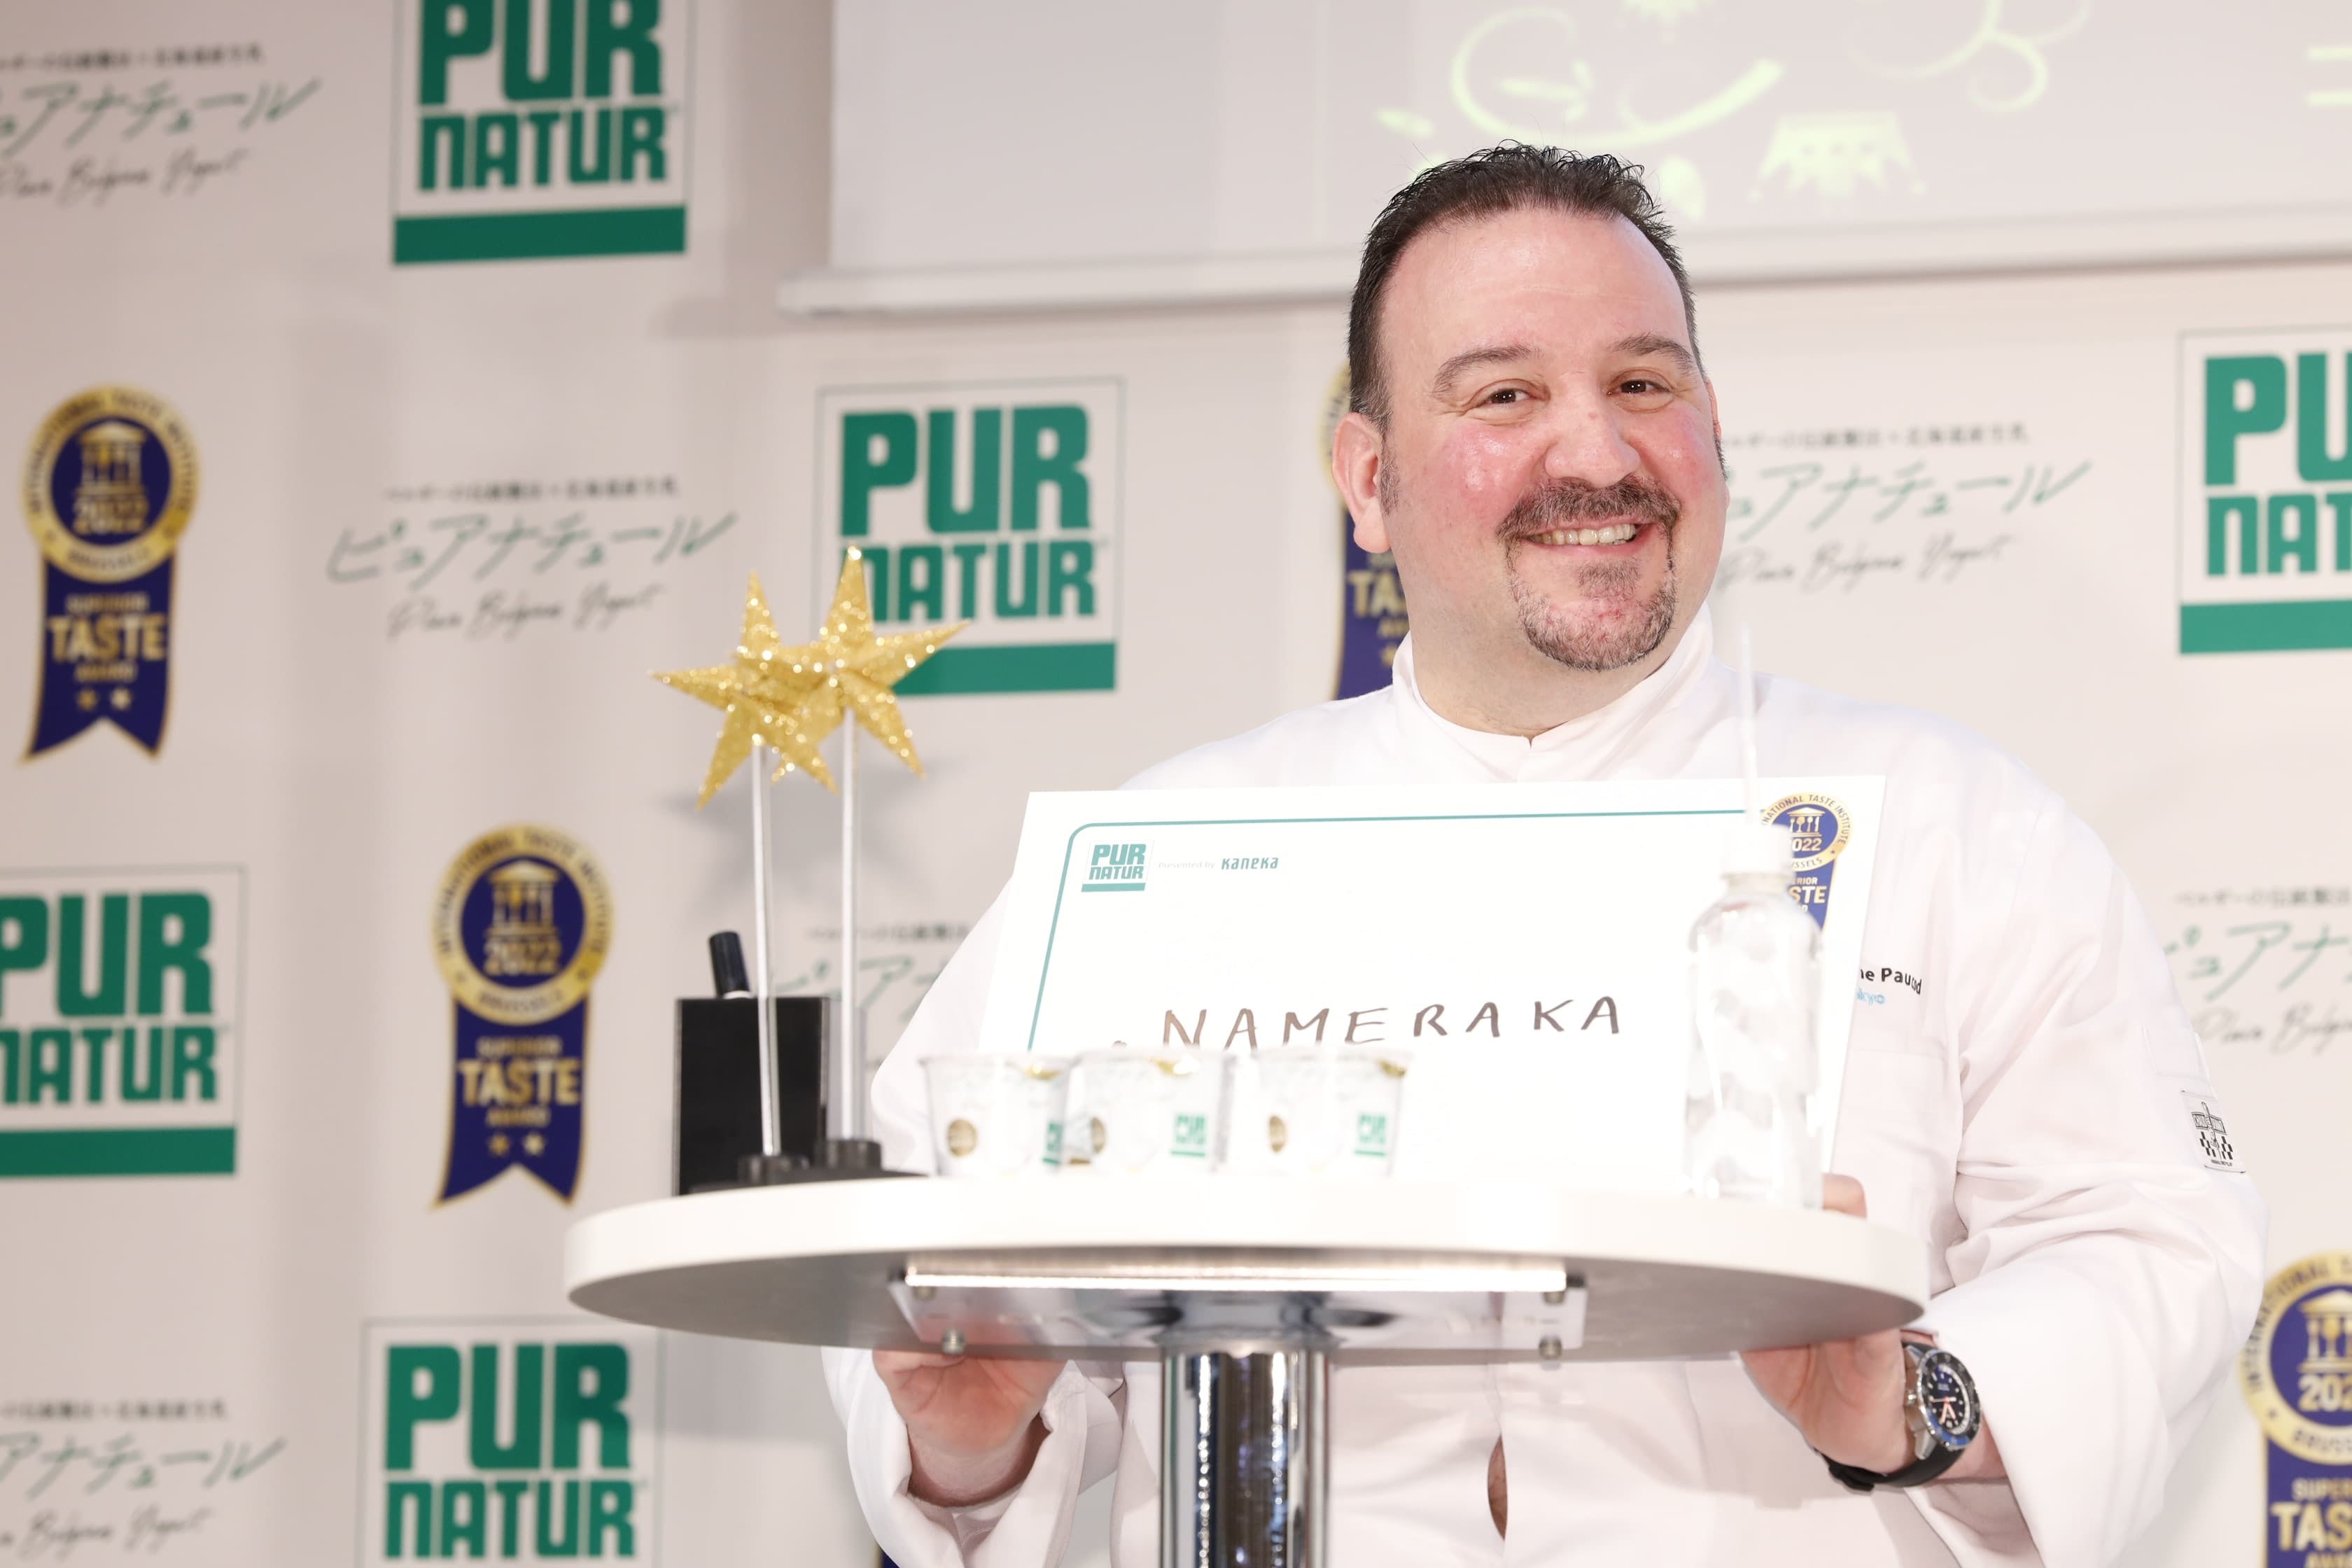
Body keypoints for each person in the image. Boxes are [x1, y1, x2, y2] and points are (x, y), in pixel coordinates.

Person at [825, 144, 2264, 1567]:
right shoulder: (1161, 860)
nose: (1597, 455)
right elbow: (943, 1302)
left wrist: (1906, 1400)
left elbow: (2148, 1246)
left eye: (1643, 384)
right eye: (1505, 395)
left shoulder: (1956, 825)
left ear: (1714, 425)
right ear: (1369, 479)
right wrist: (972, 1438)